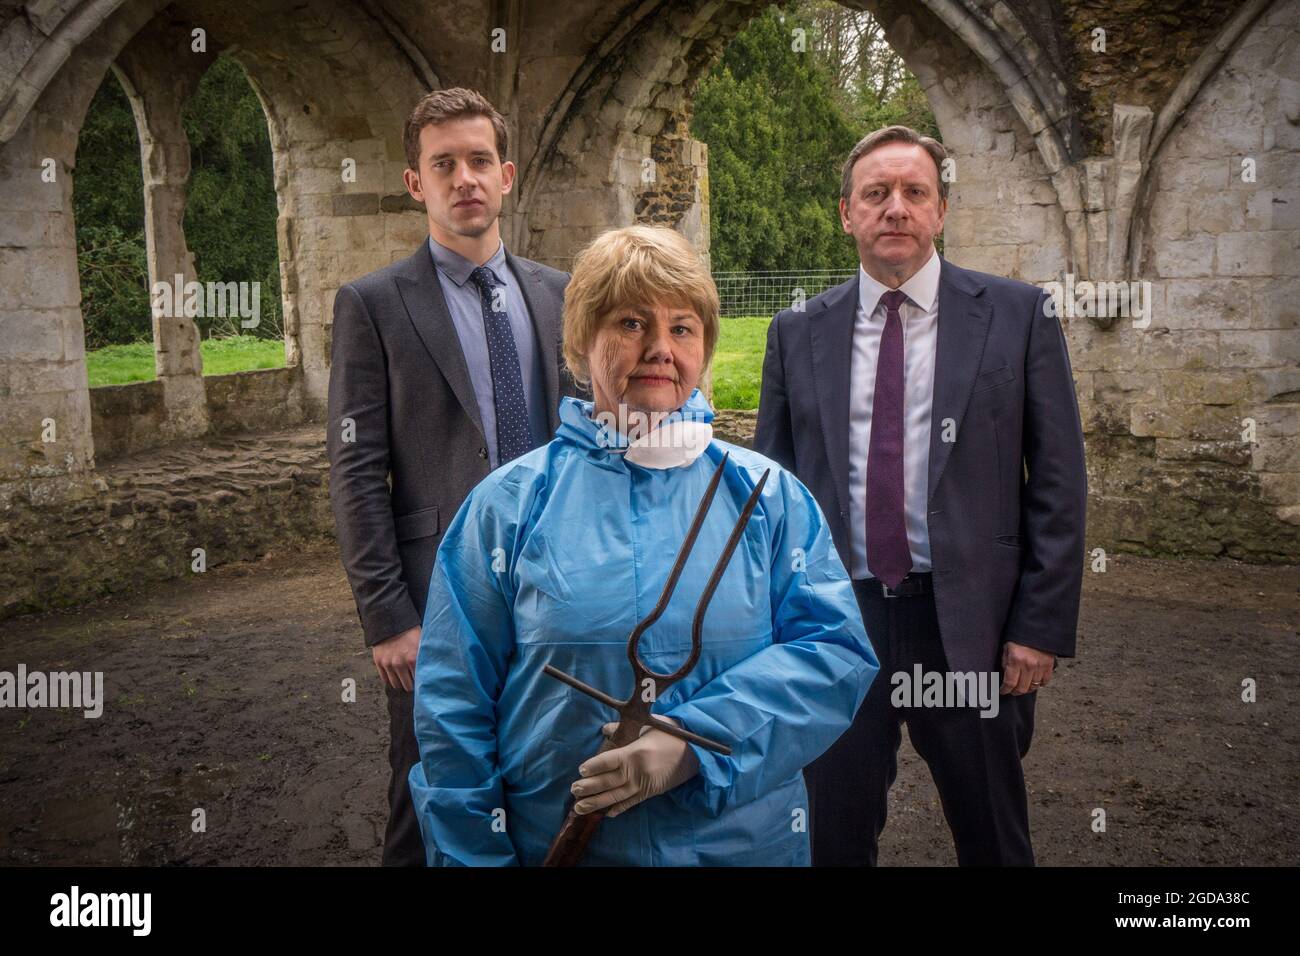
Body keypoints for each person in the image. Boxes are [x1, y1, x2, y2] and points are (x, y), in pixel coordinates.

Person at [408, 225, 878, 865]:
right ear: (582, 342)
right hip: (556, 844)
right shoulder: (508, 507)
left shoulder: (768, 498)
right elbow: (453, 710)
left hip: (742, 848)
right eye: (631, 324)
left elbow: (834, 653)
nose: (659, 348)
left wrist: (696, 744)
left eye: (682, 328)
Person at [755, 125, 1087, 866]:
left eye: (914, 193)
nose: (895, 208)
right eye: (876, 194)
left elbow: (1059, 483)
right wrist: (770, 622)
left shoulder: (1018, 315)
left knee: (994, 836)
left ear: (941, 211)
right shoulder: (796, 331)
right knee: (830, 836)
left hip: (971, 623)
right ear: (847, 213)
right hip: (839, 624)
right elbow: (770, 493)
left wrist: (1039, 625)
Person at [327, 88, 580, 866]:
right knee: (430, 791)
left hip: (557, 585)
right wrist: (387, 615)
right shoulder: (372, 304)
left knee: (555, 783)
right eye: (444, 165)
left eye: (478, 162)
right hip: (436, 601)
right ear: (417, 184)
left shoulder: (560, 292)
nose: (464, 178)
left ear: (506, 176)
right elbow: (356, 466)